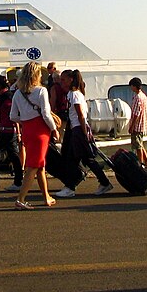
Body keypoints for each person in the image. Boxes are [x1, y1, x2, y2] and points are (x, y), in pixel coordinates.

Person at [55, 69, 114, 198]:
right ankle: (103, 182)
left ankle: (71, 187)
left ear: (71, 79)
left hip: (78, 130)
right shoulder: (78, 93)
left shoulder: (73, 94)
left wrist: (83, 132)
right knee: (86, 159)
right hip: (77, 129)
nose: (61, 83)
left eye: (63, 80)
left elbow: (80, 115)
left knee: (74, 159)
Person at [10, 61, 59, 209]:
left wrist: (25, 120)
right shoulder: (41, 91)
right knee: (33, 166)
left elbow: (13, 116)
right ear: (37, 75)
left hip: (27, 130)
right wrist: (53, 129)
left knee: (39, 165)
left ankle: (46, 196)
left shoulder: (18, 93)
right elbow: (45, 113)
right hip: (40, 131)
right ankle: (21, 199)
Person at [128, 77, 147, 170]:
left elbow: (135, 114)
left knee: (138, 146)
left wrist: (131, 126)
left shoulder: (137, 98)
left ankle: (141, 164)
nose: (131, 88)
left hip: (137, 126)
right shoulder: (143, 96)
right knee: (141, 145)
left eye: (131, 86)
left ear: (134, 86)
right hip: (143, 124)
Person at [49, 68, 70, 139]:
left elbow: (53, 102)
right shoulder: (68, 87)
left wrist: (51, 114)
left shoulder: (54, 88)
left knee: (61, 136)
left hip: (59, 113)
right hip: (69, 113)